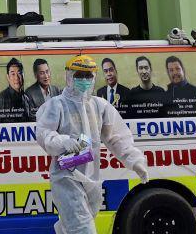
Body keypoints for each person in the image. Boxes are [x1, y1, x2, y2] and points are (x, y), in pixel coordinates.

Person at [35, 55, 149, 234]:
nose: (85, 80)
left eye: (89, 76)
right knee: (82, 228)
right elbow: (44, 133)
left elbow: (115, 137)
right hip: (66, 177)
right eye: (80, 75)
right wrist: (63, 141)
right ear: (70, 76)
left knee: (71, 226)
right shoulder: (56, 105)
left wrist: (135, 160)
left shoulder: (100, 106)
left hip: (92, 179)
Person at [0, 58, 36, 122]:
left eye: (19, 73)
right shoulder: (1, 99)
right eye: (13, 74)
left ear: (23, 75)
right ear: (8, 77)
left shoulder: (26, 98)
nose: (17, 78)